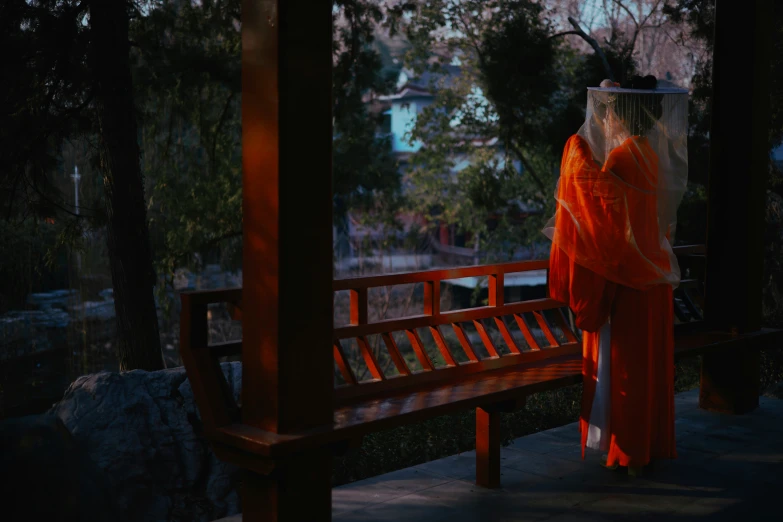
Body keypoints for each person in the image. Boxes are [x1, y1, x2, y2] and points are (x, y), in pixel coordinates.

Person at [543, 75, 689, 476]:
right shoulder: (649, 153)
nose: (603, 121)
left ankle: (629, 452)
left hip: (628, 282)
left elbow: (602, 212)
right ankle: (646, 446)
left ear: (619, 118)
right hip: (650, 278)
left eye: (608, 115)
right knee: (646, 368)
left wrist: (573, 152)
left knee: (626, 368)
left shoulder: (623, 157)